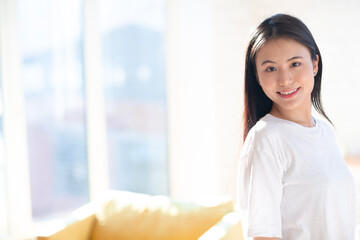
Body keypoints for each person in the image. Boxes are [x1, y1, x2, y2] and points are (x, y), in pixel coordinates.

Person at [237, 13, 356, 240]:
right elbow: (263, 235)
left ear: (314, 64)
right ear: (257, 76)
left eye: (295, 64)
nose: (285, 80)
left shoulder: (325, 132)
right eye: (270, 68)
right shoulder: (266, 138)